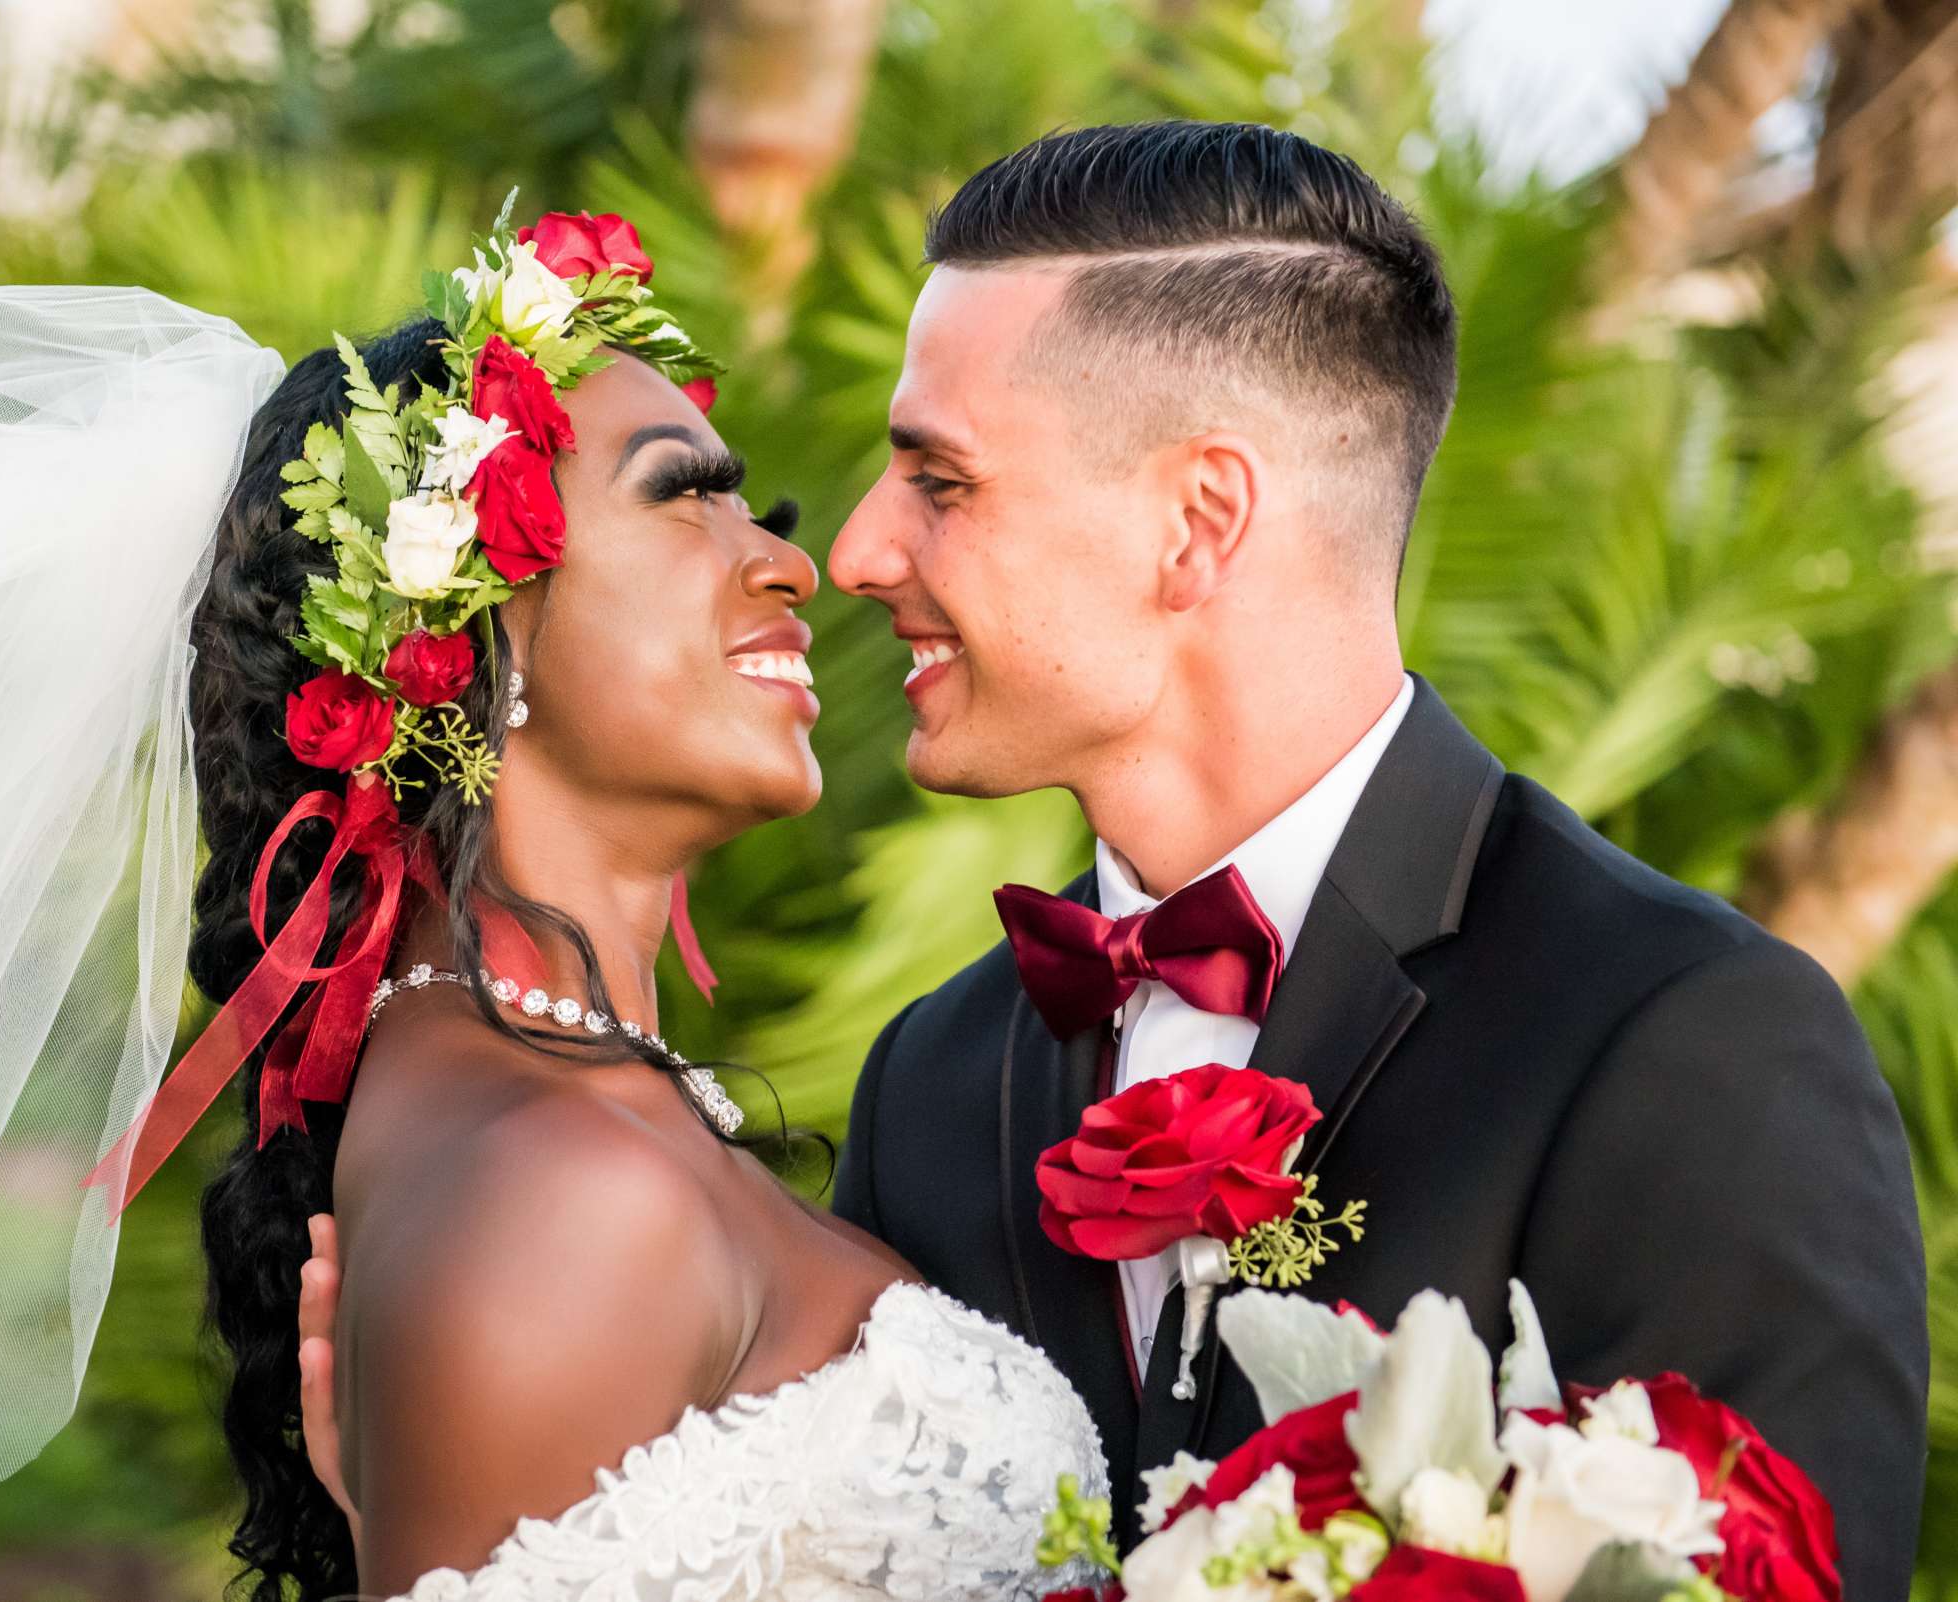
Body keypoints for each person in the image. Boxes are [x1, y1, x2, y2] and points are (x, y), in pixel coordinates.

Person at [0, 208, 1104, 1602]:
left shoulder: (547, 1115)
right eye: (685, 495)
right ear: (467, 636)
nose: (786, 561)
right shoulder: (559, 1192)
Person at [813, 120, 1928, 1599]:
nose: (856, 551)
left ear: (1197, 521)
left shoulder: (1684, 1040)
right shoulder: (928, 1085)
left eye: (938, 481)